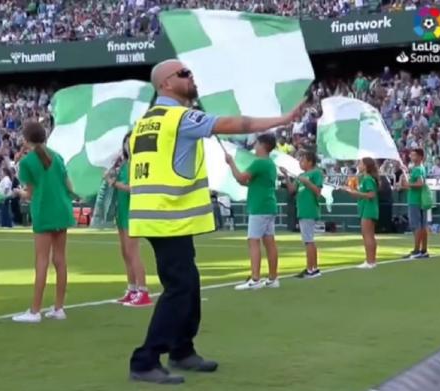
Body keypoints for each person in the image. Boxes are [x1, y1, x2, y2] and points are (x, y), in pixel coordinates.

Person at [127, 59, 304, 384]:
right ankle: (145, 359)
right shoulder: (179, 117)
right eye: (184, 74)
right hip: (169, 215)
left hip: (154, 214)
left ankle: (182, 349)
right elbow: (233, 123)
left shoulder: (147, 120)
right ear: (166, 83)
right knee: (180, 287)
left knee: (188, 282)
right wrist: (282, 119)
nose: (191, 77)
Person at [12, 121, 76, 323]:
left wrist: (18, 193)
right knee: (60, 259)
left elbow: (29, 193)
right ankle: (58, 308)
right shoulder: (57, 157)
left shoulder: (27, 162)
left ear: (26, 139)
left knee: (41, 260)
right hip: (62, 210)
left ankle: (35, 310)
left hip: (44, 211)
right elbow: (69, 185)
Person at [227, 134, 280, 290]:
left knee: (253, 241)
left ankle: (255, 279)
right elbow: (250, 183)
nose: (254, 147)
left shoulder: (259, 163)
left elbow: (242, 178)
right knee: (269, 242)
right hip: (268, 205)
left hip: (259, 207)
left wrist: (231, 163)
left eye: (257, 144)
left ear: (262, 145)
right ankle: (272, 278)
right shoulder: (270, 164)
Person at [107, 132, 152, 307]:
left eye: (130, 142)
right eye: (126, 142)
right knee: (125, 252)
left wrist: (115, 184)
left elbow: (135, 188)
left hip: (133, 212)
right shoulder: (124, 164)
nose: (127, 145)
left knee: (133, 252)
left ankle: (143, 290)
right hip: (122, 211)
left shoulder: (137, 164)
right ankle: (132, 288)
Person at [281, 150, 324, 278]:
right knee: (308, 240)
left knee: (308, 240)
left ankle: (311, 269)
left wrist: (306, 182)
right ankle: (313, 268)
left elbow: (318, 191)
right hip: (302, 210)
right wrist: (286, 176)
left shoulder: (316, 173)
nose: (300, 162)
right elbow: (292, 190)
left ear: (310, 162)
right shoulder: (301, 175)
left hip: (309, 209)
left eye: (303, 160)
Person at [343, 158, 380, 269]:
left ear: (365, 166)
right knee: (369, 236)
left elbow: (371, 194)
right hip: (366, 208)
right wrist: (350, 191)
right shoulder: (364, 179)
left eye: (360, 163)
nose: (358, 165)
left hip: (368, 209)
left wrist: (354, 192)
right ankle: (371, 261)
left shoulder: (368, 179)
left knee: (367, 235)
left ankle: (370, 261)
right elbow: (359, 194)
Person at [400, 148, 430, 259]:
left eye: (414, 155)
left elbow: (420, 183)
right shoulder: (420, 168)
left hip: (415, 201)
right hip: (419, 200)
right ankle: (423, 250)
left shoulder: (417, 169)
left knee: (416, 226)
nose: (411, 157)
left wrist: (408, 184)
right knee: (422, 226)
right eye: (411, 155)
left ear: (420, 157)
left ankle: (417, 250)